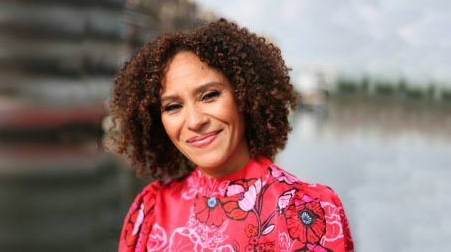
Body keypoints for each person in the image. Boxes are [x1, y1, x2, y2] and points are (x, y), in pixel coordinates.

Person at [110, 18, 353, 252]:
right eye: (173, 107)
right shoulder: (151, 211)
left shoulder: (309, 210)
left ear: (243, 96)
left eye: (210, 95)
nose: (195, 121)